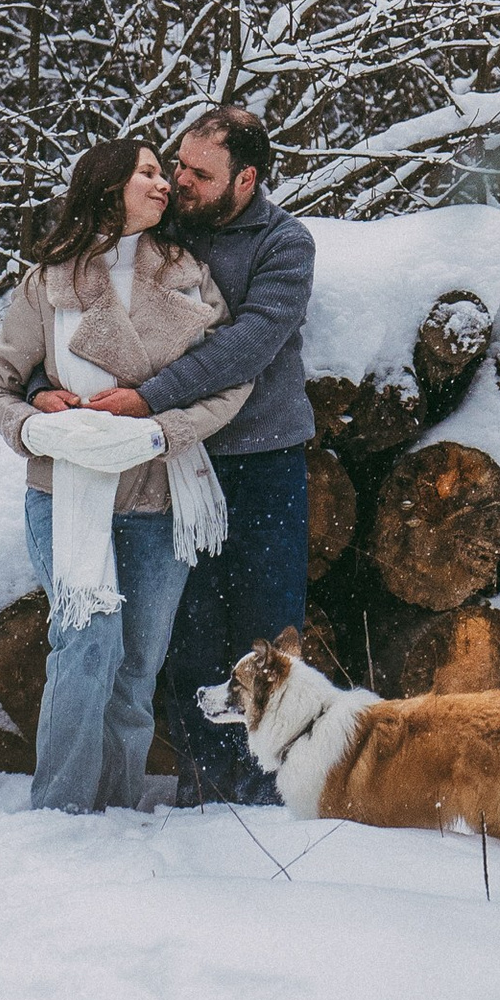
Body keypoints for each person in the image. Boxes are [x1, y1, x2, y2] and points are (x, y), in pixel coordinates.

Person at [0, 141, 251, 813]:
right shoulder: (50, 281)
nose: (165, 184)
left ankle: (119, 813)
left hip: (161, 492)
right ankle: (62, 812)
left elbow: (229, 382)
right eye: (149, 173)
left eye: (165, 172)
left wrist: (163, 429)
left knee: (137, 664)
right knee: (86, 643)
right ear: (108, 186)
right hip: (66, 490)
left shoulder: (188, 275)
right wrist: (38, 423)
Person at [74, 101, 316, 805]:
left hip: (266, 465)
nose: (179, 180)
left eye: (200, 173)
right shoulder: (162, 229)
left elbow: (250, 345)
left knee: (267, 637)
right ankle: (205, 790)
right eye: (177, 163)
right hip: (178, 465)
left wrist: (150, 394)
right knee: (192, 634)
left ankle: (268, 795)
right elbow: (80, 303)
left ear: (246, 181)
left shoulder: (284, 244)